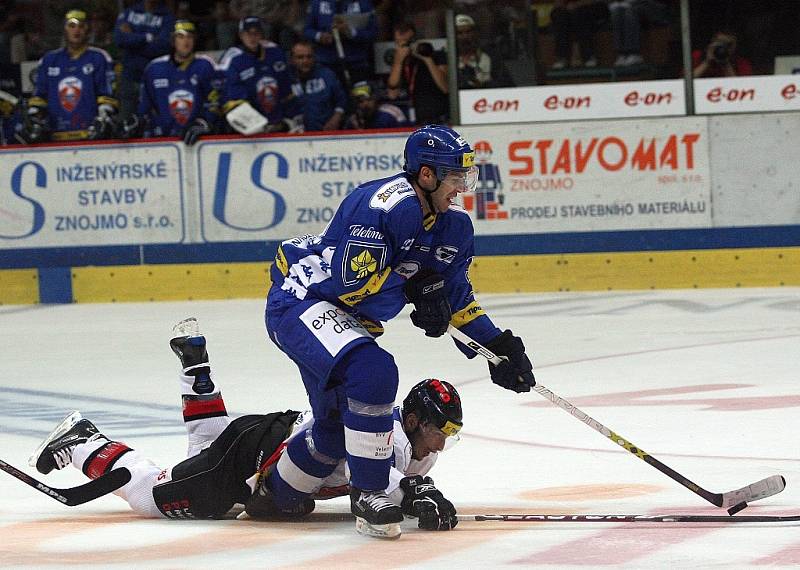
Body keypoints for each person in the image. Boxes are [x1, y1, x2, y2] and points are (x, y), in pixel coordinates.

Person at [262, 124, 536, 539]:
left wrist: (495, 346)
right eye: (454, 176)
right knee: (373, 372)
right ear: (426, 175)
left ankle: (273, 495)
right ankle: (371, 495)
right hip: (301, 302)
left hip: (347, 320)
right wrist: (414, 287)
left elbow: (456, 296)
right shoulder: (384, 205)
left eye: (466, 176)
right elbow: (351, 283)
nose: (461, 187)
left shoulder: (455, 227)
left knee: (335, 433)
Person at [29, 318, 460, 535]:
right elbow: (380, 474)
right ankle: (85, 442)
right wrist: (415, 494)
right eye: (438, 430)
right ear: (412, 419)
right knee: (151, 496)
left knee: (205, 445)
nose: (440, 442)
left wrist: (415, 493)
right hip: (257, 453)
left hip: (267, 435)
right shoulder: (385, 434)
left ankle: (197, 370)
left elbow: (383, 483)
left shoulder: (411, 448)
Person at [17, 9, 117, 143]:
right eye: (72, 26)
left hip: (90, 135)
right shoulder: (49, 60)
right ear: (64, 29)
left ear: (88, 30)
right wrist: (34, 116)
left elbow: (107, 95)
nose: (77, 31)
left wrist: (103, 117)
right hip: (56, 136)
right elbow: (39, 96)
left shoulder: (99, 57)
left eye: (81, 26)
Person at [121, 20, 217, 146]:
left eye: (190, 37)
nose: (186, 41)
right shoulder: (154, 68)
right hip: (163, 140)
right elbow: (145, 106)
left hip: (197, 140)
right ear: (173, 40)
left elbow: (215, 101)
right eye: (180, 37)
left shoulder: (205, 65)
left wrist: (205, 122)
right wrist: (137, 121)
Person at [219, 16, 293, 134]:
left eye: (256, 33)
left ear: (261, 34)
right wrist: (257, 125)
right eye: (248, 33)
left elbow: (286, 91)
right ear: (241, 35)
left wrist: (287, 120)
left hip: (278, 125)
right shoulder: (232, 59)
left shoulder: (275, 52)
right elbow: (232, 99)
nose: (252, 37)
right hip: (249, 130)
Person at [114, 0, 176, 122]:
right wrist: (148, 37)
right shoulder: (129, 12)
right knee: (125, 122)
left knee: (155, 120)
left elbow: (163, 47)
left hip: (155, 79)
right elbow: (120, 39)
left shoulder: (167, 17)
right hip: (130, 77)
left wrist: (133, 40)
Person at [386, 21, 448, 125]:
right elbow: (392, 93)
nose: (403, 47)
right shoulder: (399, 63)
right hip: (416, 120)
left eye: (406, 42)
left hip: (439, 117)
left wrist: (427, 59)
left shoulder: (435, 56)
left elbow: (445, 87)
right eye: (398, 43)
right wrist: (398, 62)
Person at [303, 0, 377, 87]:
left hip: (357, 64)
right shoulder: (317, 3)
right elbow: (307, 30)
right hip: (326, 64)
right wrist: (319, 36)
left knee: (361, 96)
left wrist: (351, 32)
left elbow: (373, 32)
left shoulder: (363, 3)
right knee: (329, 98)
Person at [286, 39, 347, 132]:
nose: (305, 61)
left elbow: (341, 100)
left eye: (309, 57)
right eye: (300, 57)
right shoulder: (285, 79)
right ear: (292, 60)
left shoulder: (327, 75)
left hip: (324, 133)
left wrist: (336, 118)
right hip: (295, 136)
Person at [454, 14, 513, 90]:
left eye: (468, 32)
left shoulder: (491, 56)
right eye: (460, 33)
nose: (465, 37)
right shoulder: (445, 59)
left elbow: (507, 85)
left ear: (475, 33)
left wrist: (483, 85)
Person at [607, 0, 669, 67]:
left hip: (651, 5)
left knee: (630, 11)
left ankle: (634, 53)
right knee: (616, 13)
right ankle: (622, 54)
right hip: (628, 5)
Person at [549, 0, 608, 70]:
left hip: (594, 6)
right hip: (570, 8)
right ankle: (562, 57)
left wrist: (578, 4)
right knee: (559, 15)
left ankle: (589, 56)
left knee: (580, 14)